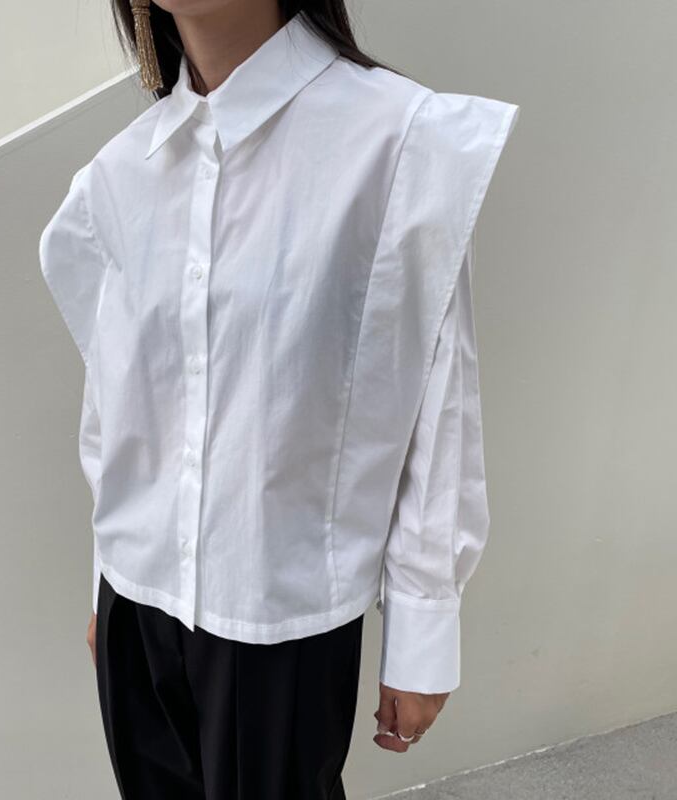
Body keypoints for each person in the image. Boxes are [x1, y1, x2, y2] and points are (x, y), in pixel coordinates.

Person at [38, 1, 520, 797]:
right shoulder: (119, 176)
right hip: (137, 604)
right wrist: (107, 577)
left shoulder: (396, 140)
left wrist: (423, 624)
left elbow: (437, 395)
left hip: (278, 615)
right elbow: (120, 410)